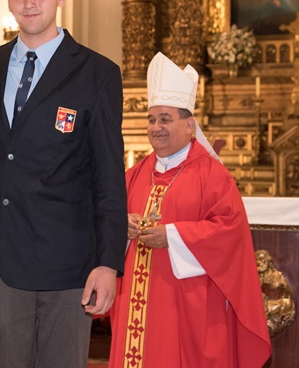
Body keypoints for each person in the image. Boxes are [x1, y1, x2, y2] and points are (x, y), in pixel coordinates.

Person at [0, 0, 127, 368]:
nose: (29, 1)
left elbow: (110, 177)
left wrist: (108, 263)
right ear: (8, 0)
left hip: (67, 263)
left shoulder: (97, 73)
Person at [108, 52, 271, 367]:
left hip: (187, 306)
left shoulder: (213, 175)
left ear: (189, 125)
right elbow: (106, 223)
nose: (156, 127)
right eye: (151, 120)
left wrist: (172, 236)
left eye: (165, 119)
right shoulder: (133, 175)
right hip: (135, 307)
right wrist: (121, 226)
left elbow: (230, 233)